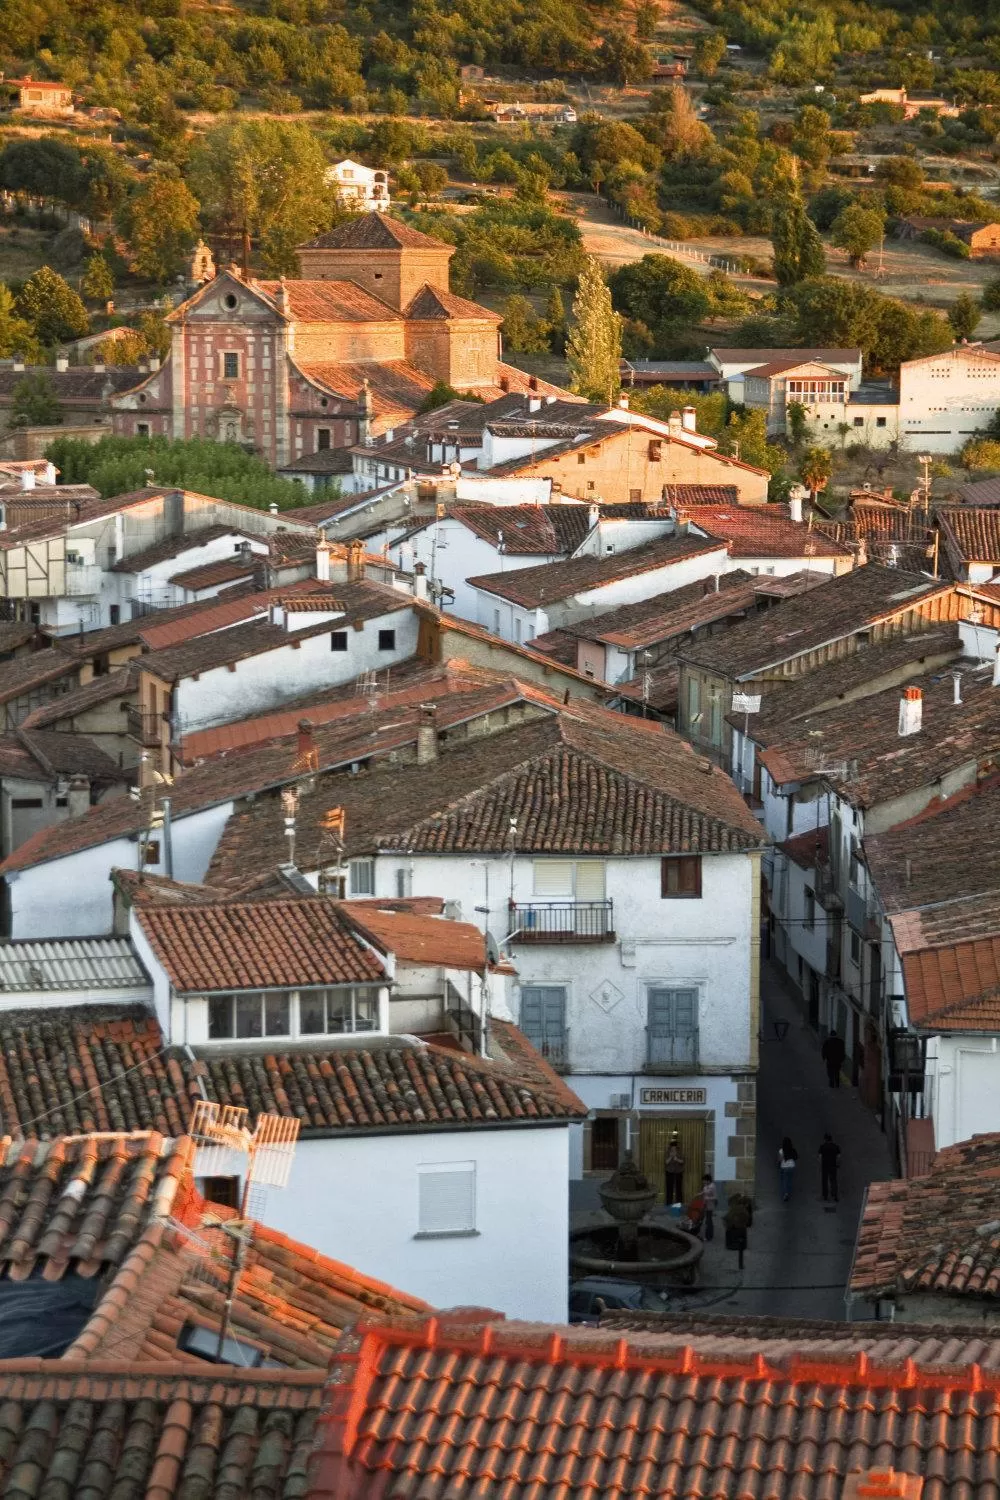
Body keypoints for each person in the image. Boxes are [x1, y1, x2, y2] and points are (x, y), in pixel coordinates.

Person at [819, 1133, 841, 1202]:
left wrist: (821, 1163)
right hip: (833, 1165)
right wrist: (838, 1164)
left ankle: (825, 1195)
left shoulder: (822, 1147)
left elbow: (820, 1157)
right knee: (833, 1180)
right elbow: (838, 1157)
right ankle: (835, 1195)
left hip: (825, 1166)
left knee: (824, 1181)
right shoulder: (835, 1146)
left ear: (825, 1139)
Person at [664, 1133, 685, 1204]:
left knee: (679, 1188)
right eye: (672, 1146)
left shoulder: (680, 1152)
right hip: (669, 1172)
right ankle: (669, 1203)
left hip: (679, 1172)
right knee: (669, 1188)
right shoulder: (667, 1152)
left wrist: (677, 1159)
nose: (673, 1147)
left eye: (674, 1146)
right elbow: (666, 1162)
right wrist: (670, 1157)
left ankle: (679, 1203)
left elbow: (682, 1161)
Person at [778, 1137, 798, 1202]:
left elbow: (780, 1160)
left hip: (784, 1167)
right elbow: (795, 1157)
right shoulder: (792, 1150)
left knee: (784, 1181)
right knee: (789, 1180)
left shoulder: (781, 1150)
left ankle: (785, 1194)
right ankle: (788, 1192)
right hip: (792, 1166)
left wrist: (779, 1162)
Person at [701, 1173, 717, 1241]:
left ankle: (708, 1236)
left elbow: (715, 1197)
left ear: (708, 1180)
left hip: (710, 1205)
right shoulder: (706, 1185)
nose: (703, 1182)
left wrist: (708, 1198)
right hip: (706, 1205)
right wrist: (700, 1193)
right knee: (707, 1221)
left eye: (704, 1180)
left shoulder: (712, 1186)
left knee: (709, 1221)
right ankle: (709, 1235)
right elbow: (705, 1192)